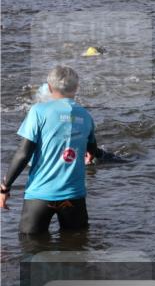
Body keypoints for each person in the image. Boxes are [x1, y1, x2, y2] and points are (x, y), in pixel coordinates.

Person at [1, 65, 109, 235]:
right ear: (77, 88)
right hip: (73, 196)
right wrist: (90, 153)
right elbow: (92, 149)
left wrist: (5, 187)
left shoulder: (38, 111)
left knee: (31, 248)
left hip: (40, 196)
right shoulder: (86, 116)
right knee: (76, 248)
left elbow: (23, 154)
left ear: (50, 88)